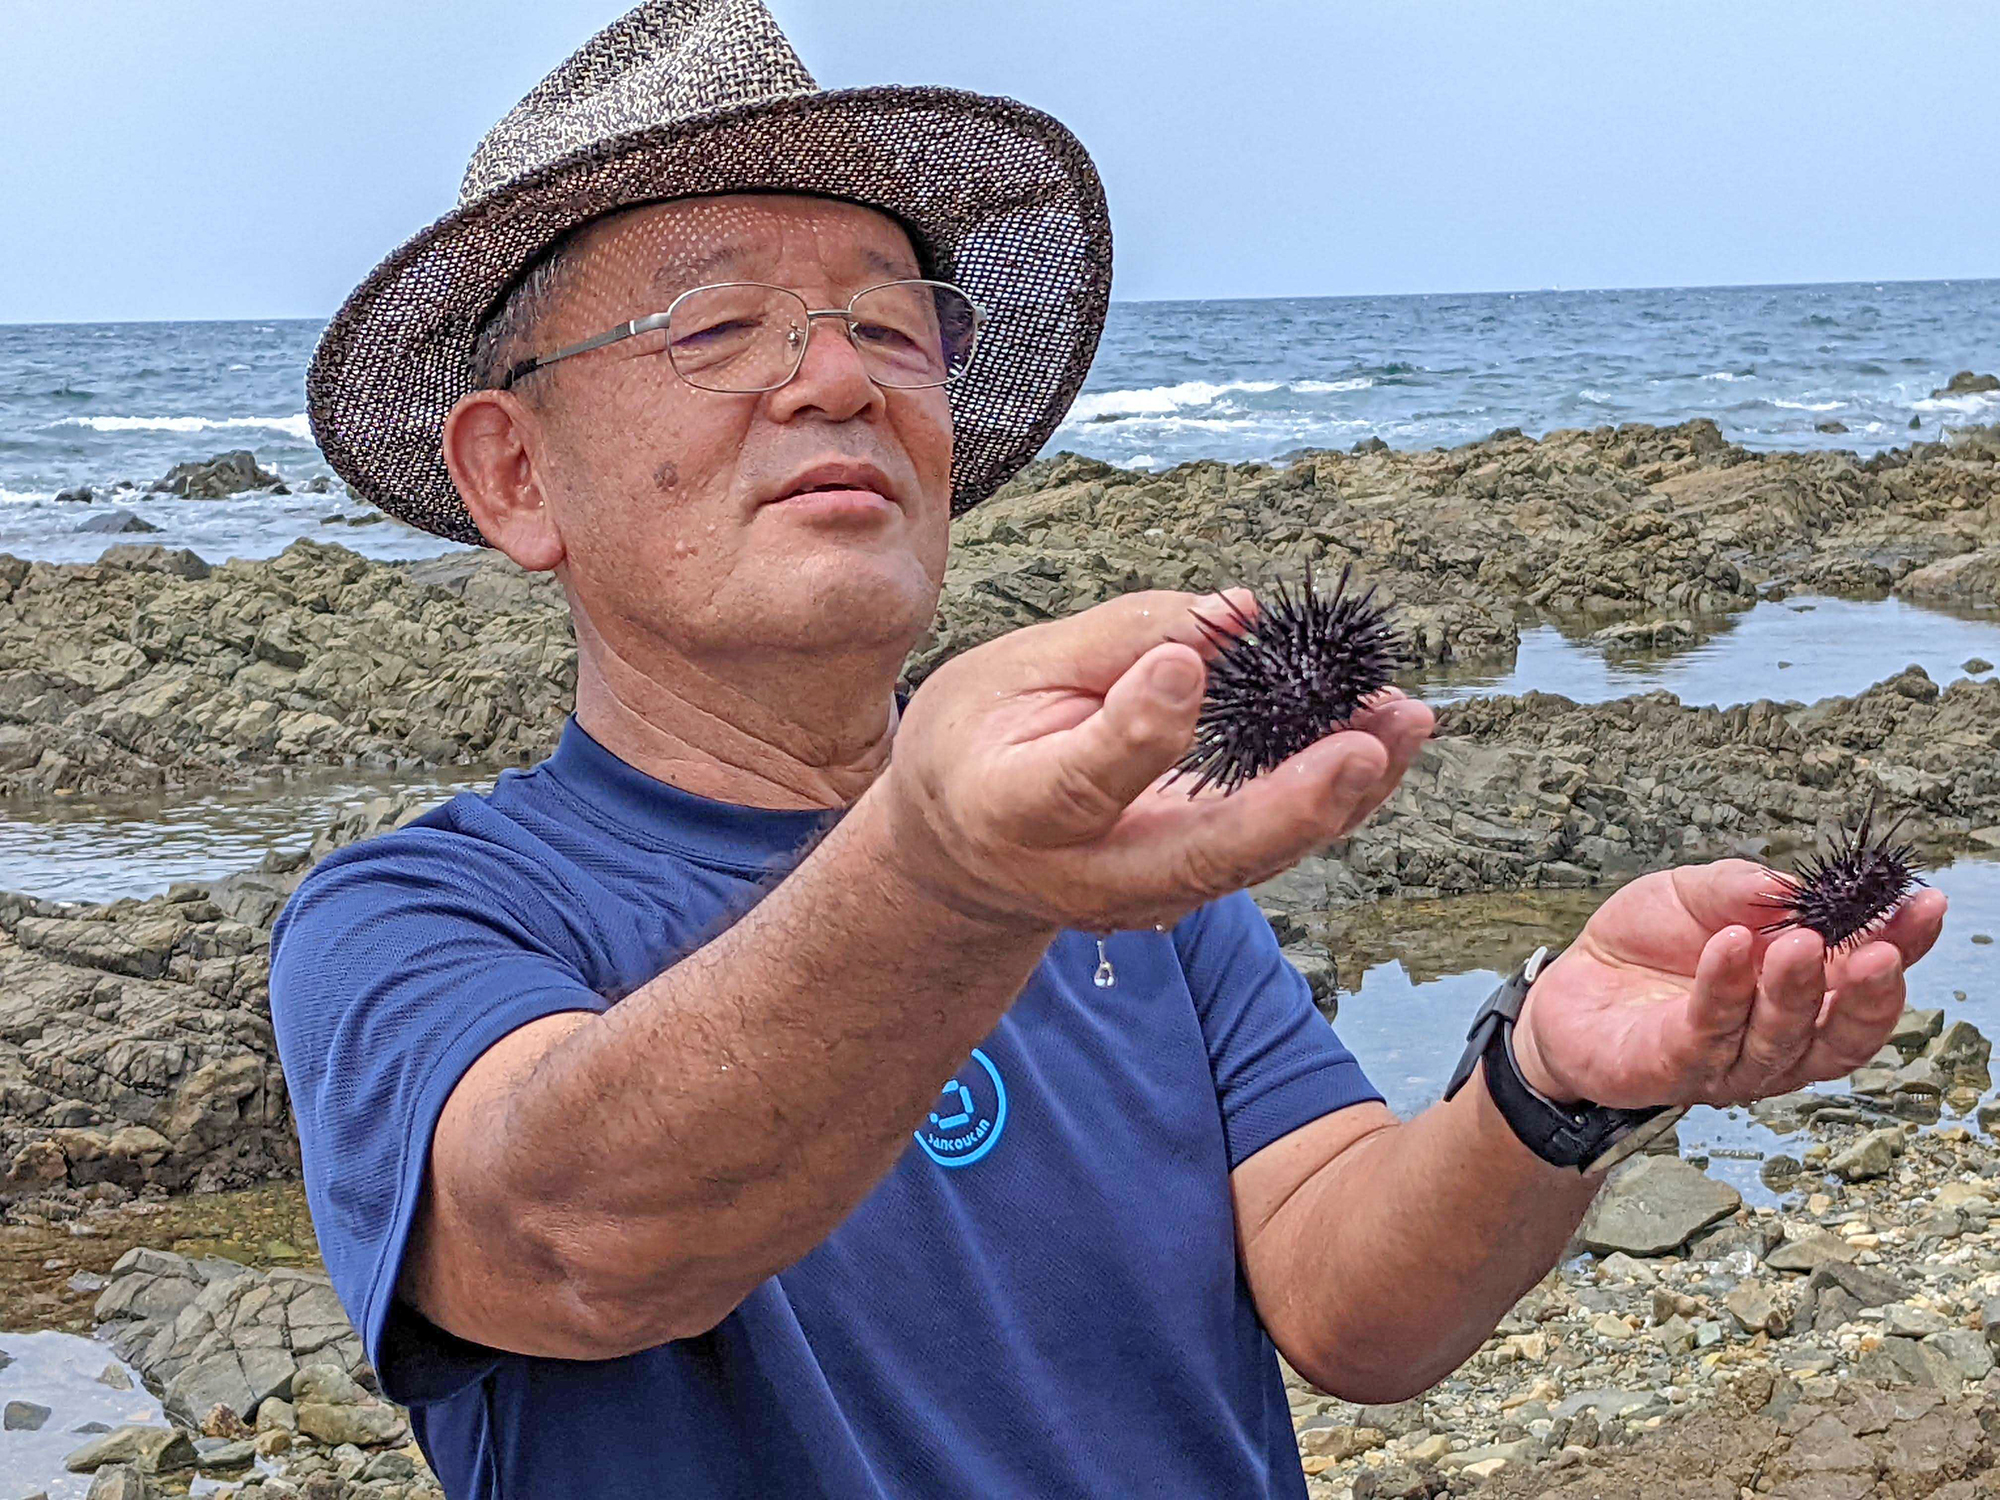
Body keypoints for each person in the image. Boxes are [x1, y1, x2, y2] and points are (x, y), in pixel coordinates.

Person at [275, 4, 1947, 1497]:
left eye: (892, 321)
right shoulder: (412, 924)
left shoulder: (1126, 867)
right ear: (512, 474)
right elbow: (571, 1244)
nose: (838, 378)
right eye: (715, 329)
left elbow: (1344, 1301)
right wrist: (947, 876)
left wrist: (1548, 1087)